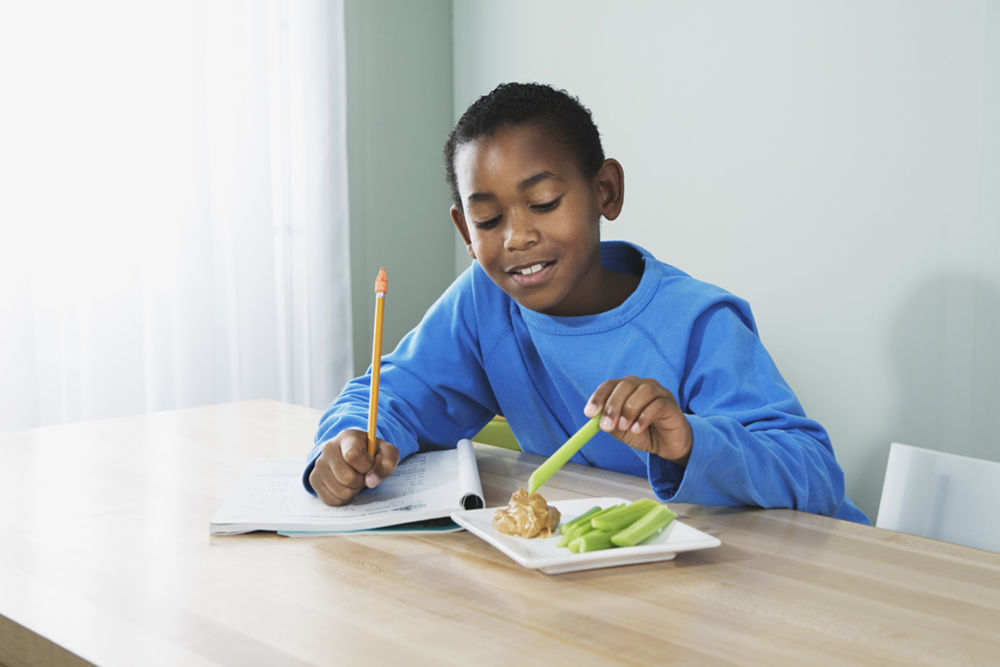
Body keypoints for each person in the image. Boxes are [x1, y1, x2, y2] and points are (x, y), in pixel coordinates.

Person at [303, 82, 869, 524]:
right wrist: (352, 441)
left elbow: (815, 475)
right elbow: (394, 392)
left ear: (606, 192)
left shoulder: (697, 323)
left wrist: (689, 444)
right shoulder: (483, 303)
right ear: (464, 232)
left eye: (545, 203)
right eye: (488, 220)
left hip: (801, 579)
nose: (517, 238)